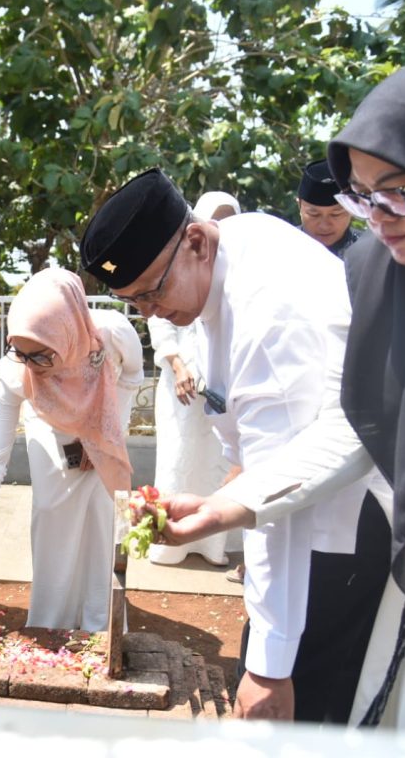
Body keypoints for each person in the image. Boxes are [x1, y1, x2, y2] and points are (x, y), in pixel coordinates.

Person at [153, 50, 405, 738]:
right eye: (361, 195)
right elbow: (362, 426)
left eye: (397, 189)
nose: (376, 217)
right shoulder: (387, 274)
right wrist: (234, 505)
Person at [80, 168, 389, 723]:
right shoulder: (228, 252)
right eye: (135, 302)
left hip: (341, 526)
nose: (150, 312)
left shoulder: (269, 312)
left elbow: (285, 503)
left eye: (151, 292)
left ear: (194, 240)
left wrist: (271, 670)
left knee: (303, 705)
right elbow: (259, 448)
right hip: (300, 508)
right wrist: (221, 500)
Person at [0, 268, 143, 631]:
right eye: (21, 352)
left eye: (42, 356)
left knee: (102, 526)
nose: (32, 367)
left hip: (104, 436)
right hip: (47, 428)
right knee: (53, 518)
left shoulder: (111, 333)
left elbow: (133, 376)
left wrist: (108, 435)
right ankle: (50, 624)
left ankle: (101, 623)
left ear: (68, 333)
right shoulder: (16, 371)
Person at [145, 191, 238, 568]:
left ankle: (212, 544)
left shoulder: (236, 272)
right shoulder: (180, 264)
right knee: (178, 458)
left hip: (220, 389)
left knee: (218, 461)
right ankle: (169, 541)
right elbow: (158, 318)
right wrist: (180, 367)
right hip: (178, 385)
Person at [297, 159, 359, 256]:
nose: (324, 226)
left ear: (352, 208)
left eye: (336, 214)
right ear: (299, 205)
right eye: (314, 214)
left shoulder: (372, 253)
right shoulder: (281, 248)